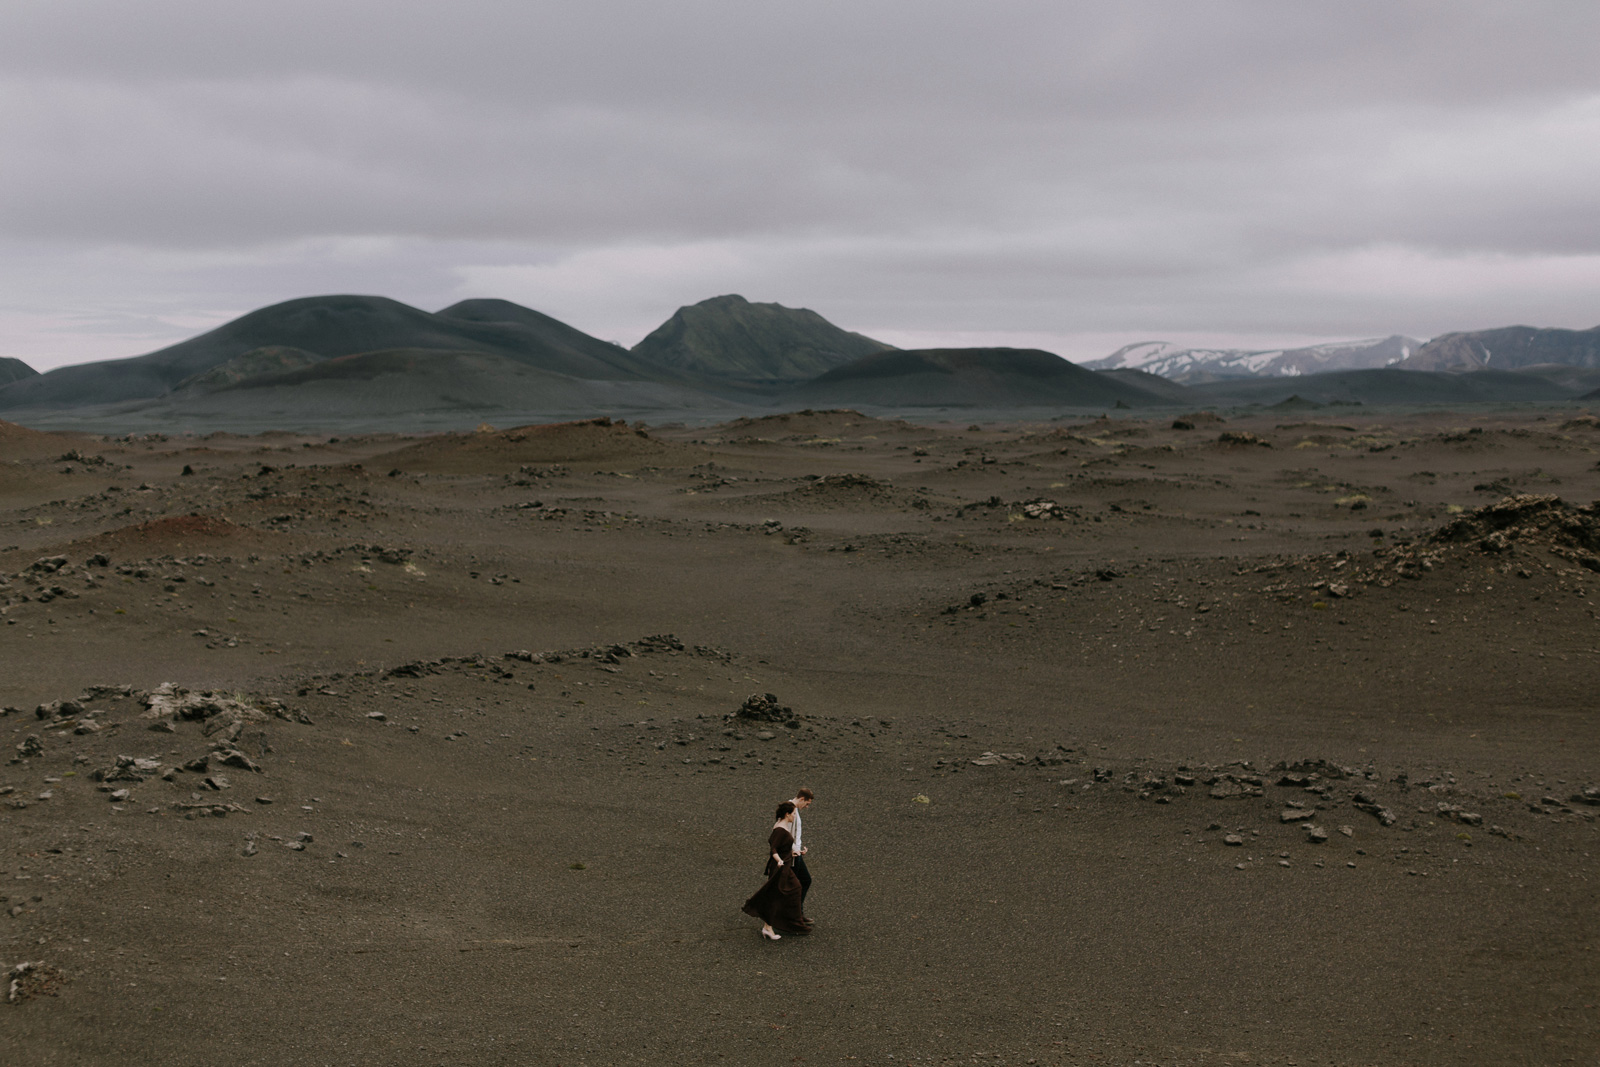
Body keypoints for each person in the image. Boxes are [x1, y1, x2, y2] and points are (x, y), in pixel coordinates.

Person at [741, 800, 813, 940]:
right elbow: (773, 848)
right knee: (784, 892)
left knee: (783, 893)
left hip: (784, 864)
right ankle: (783, 924)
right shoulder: (780, 829)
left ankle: (774, 926)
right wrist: (779, 860)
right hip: (780, 867)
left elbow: (781, 848)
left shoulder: (784, 825)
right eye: (792, 814)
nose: (794, 816)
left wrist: (794, 853)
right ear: (787, 814)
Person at [789, 788, 814, 903]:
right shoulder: (789, 809)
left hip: (796, 853)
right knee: (799, 882)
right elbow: (786, 833)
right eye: (807, 803)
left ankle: (797, 912)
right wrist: (795, 849)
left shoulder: (794, 809)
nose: (807, 807)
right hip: (792, 855)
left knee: (803, 881)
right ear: (802, 799)